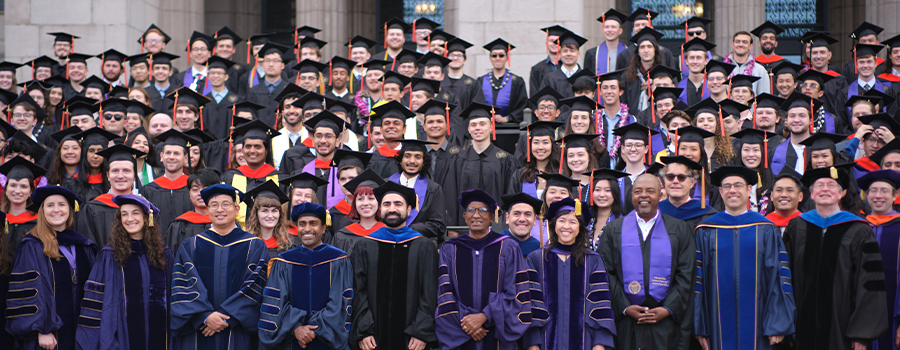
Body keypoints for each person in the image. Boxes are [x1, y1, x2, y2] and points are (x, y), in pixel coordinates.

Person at [783, 165, 889, 349]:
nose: (825, 189)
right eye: (819, 185)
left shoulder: (859, 230)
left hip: (843, 329)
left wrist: (861, 333)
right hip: (800, 326)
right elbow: (784, 277)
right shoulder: (796, 227)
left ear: (841, 194)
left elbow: (870, 283)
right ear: (812, 194)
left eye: (832, 185)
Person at [693, 166, 796, 350]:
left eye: (738, 185)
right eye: (727, 186)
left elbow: (778, 278)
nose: (732, 190)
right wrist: (700, 326)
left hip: (760, 324)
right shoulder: (705, 230)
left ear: (749, 190)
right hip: (717, 324)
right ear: (721, 192)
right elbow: (698, 282)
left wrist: (777, 323)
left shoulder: (766, 228)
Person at [599, 174, 695, 350]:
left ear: (661, 194)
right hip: (626, 323)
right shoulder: (614, 230)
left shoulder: (678, 228)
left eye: (650, 191)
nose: (643, 195)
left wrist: (668, 308)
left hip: (665, 324)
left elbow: (686, 274)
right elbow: (605, 272)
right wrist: (625, 307)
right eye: (637, 191)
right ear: (631, 196)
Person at [168, 183, 269, 350]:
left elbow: (255, 288)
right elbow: (183, 287)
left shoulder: (255, 246)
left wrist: (228, 318)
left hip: (238, 331)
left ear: (237, 209)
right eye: (214, 205)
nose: (219, 209)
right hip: (200, 330)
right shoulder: (190, 246)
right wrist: (205, 317)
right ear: (208, 209)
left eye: (226, 204)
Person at [435, 189, 536, 349]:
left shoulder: (508, 247)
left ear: (492, 217)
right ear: (465, 217)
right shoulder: (450, 248)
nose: (476, 215)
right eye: (471, 210)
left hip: (496, 337)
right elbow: (444, 294)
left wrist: (485, 316)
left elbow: (516, 292)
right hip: (460, 334)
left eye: (483, 210)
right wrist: (468, 322)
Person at [74, 194, 173, 350]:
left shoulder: (163, 254)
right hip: (122, 338)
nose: (129, 218)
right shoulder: (110, 255)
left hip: (162, 336)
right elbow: (96, 301)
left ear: (147, 218)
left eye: (135, 213)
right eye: (124, 214)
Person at [349, 182, 437, 350]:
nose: (392, 209)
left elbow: (430, 292)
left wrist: (421, 331)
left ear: (408, 210)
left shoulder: (424, 246)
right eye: (387, 204)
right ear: (380, 210)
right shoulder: (365, 246)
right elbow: (358, 289)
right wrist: (364, 329)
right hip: (373, 337)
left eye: (398, 204)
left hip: (412, 338)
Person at [6, 185, 94, 350]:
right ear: (42, 210)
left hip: (82, 335)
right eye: (50, 205)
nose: (56, 210)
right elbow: (27, 292)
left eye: (62, 204)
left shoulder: (84, 245)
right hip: (48, 338)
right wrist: (42, 329)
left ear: (70, 209)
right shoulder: (31, 245)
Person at [258, 202, 353, 350]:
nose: (307, 229)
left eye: (313, 223)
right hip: (291, 340)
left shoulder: (338, 260)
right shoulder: (283, 262)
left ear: (323, 228)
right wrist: (296, 327)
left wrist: (314, 329)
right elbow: (275, 303)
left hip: (327, 342)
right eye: (302, 224)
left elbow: (340, 304)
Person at [858, 169, 900, 350]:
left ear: (895, 195)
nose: (878, 196)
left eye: (884, 191)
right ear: (866, 196)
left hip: (894, 310)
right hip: (860, 312)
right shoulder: (857, 227)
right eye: (873, 191)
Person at [454, 102, 519, 219]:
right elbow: (452, 195)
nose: (477, 128)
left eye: (482, 124)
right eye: (473, 125)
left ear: (491, 127)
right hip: (465, 226)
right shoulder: (458, 160)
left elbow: (511, 196)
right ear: (468, 129)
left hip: (497, 225)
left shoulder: (506, 160)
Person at [76, 144, 145, 248]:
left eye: (126, 171)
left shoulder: (144, 207)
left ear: (134, 176)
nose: (120, 176)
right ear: (108, 175)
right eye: (115, 171)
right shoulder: (93, 209)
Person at [221, 120, 281, 224]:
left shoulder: (279, 178)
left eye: (257, 147)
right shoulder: (230, 177)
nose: (252, 151)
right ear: (243, 149)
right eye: (248, 146)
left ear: (267, 151)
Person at [388, 139, 446, 241]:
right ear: (400, 160)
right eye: (407, 156)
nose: (412, 161)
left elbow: (438, 225)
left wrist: (409, 229)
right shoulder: (386, 185)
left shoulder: (433, 189)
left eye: (418, 157)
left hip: (418, 244)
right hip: (387, 241)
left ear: (424, 162)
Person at [140, 129, 195, 233]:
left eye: (176, 153)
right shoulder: (149, 189)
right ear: (161, 157)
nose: (171, 157)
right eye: (168, 153)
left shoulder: (193, 188)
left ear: (185, 157)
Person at [331, 169, 385, 255]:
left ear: (379, 202)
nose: (365, 203)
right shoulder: (342, 236)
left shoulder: (389, 234)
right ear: (354, 203)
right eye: (360, 199)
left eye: (371, 198)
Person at [473, 38, 527, 125]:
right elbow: (476, 104)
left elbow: (523, 105)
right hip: (486, 128)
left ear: (507, 58)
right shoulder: (481, 81)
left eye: (501, 55)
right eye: (494, 56)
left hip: (510, 128)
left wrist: (508, 118)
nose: (497, 58)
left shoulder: (517, 81)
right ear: (490, 58)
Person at [166, 168, 219, 252]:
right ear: (189, 193)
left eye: (206, 188)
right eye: (195, 189)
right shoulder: (179, 225)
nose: (200, 193)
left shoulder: (226, 223)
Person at [656, 155, 718, 228]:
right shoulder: (655, 211)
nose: (675, 181)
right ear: (664, 180)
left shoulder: (706, 215)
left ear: (692, 182)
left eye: (681, 177)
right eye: (670, 177)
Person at [0, 157, 45, 251]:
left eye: (23, 186)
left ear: (31, 191)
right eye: (13, 185)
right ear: (6, 189)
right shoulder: (1, 219)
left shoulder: (40, 222)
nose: (17, 191)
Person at [771, 92, 822, 175]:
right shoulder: (774, 152)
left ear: (810, 121)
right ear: (786, 121)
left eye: (802, 116)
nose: (796, 120)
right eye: (792, 116)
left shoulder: (820, 148)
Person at [244, 180, 298, 258]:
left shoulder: (288, 246)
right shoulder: (246, 245)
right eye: (265, 210)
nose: (270, 215)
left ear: (280, 214)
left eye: (274, 211)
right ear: (256, 213)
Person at [731, 128, 777, 213]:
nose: (751, 154)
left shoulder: (774, 183)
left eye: (756, 150)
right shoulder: (731, 183)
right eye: (746, 150)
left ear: (763, 152)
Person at [247, 43, 290, 126]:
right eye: (267, 61)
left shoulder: (288, 90)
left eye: (275, 61)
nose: (271, 64)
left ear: (282, 65)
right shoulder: (253, 91)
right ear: (262, 65)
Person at [585, 169, 628, 250]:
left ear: (615, 193)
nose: (602, 194)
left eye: (608, 190)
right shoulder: (586, 219)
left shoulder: (623, 222)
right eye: (597, 190)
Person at [539, 30, 588, 99]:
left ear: (578, 54)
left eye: (572, 51)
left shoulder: (586, 78)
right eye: (565, 51)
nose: (568, 54)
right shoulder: (549, 78)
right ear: (560, 54)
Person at [202, 55, 242, 140]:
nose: (215, 76)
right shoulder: (204, 101)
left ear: (226, 77)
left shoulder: (237, 100)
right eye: (212, 73)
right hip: (208, 147)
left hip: (230, 145)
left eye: (219, 73)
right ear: (208, 76)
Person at [724, 31, 771, 95]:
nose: (740, 44)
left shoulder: (760, 70)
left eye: (745, 42)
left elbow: (764, 97)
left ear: (750, 46)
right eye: (737, 42)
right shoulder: (724, 68)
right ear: (733, 45)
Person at [584, 9, 629, 76]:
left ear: (620, 31)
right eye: (606, 27)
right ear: (603, 30)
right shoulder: (592, 54)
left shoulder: (629, 53)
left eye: (613, 27)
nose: (609, 30)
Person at [499, 192, 542, 257]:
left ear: (534, 219)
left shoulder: (538, 249)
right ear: (507, 218)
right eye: (516, 214)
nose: (522, 219)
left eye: (528, 214)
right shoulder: (495, 243)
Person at [677, 38, 717, 106]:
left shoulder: (714, 85)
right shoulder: (679, 87)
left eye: (699, 58)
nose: (695, 62)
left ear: (706, 61)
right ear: (686, 61)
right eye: (692, 57)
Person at [765, 168, 805, 234]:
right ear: (771, 196)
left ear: (800, 196)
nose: (784, 195)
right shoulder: (763, 224)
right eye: (779, 190)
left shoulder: (807, 224)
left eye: (789, 190)